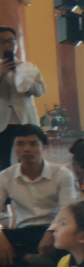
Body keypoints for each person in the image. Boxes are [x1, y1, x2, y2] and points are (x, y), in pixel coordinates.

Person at [0, 124, 77, 267]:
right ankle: (33, 258)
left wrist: (50, 232)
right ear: (14, 148)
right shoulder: (5, 176)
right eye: (20, 144)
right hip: (23, 232)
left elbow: (68, 209)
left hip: (56, 230)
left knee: (77, 240)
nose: (26, 149)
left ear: (44, 147)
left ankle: (22, 257)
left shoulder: (62, 174)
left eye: (33, 144)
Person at [0, 26, 45, 171]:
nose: (7, 45)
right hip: (2, 123)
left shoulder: (28, 68)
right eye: (2, 41)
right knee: (2, 162)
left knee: (28, 159)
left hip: (24, 120)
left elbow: (40, 91)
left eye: (11, 41)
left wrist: (25, 82)